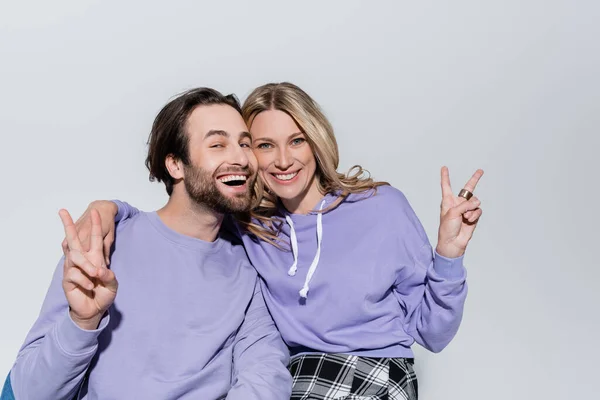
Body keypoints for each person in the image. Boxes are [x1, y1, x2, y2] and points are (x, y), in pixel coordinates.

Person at [76, 82, 484, 400]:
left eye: (296, 141)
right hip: (300, 374)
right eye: (264, 146)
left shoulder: (382, 208)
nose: (283, 161)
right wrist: (110, 209)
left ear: (317, 141)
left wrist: (449, 254)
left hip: (378, 369)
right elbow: (186, 214)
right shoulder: (250, 225)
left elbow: (434, 333)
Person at [5, 88, 292, 400]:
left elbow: (264, 373)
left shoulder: (252, 262)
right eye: (217, 144)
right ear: (175, 165)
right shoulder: (102, 243)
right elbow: (26, 393)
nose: (239, 158)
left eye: (244, 144)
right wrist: (82, 322)